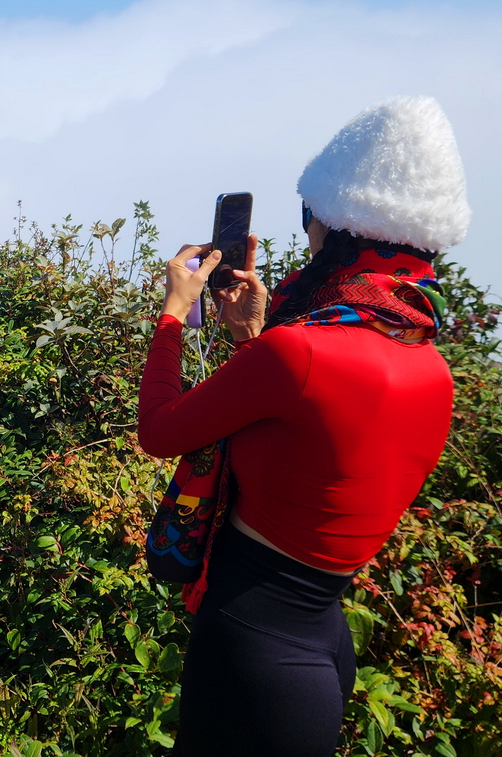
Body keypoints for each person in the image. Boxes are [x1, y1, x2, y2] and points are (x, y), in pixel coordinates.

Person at [137, 96, 471, 756]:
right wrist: (252, 337)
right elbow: (306, 442)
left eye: (309, 215)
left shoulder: (298, 352)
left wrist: (174, 313)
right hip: (322, 642)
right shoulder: (432, 368)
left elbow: (160, 430)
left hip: (249, 644)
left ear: (335, 228)